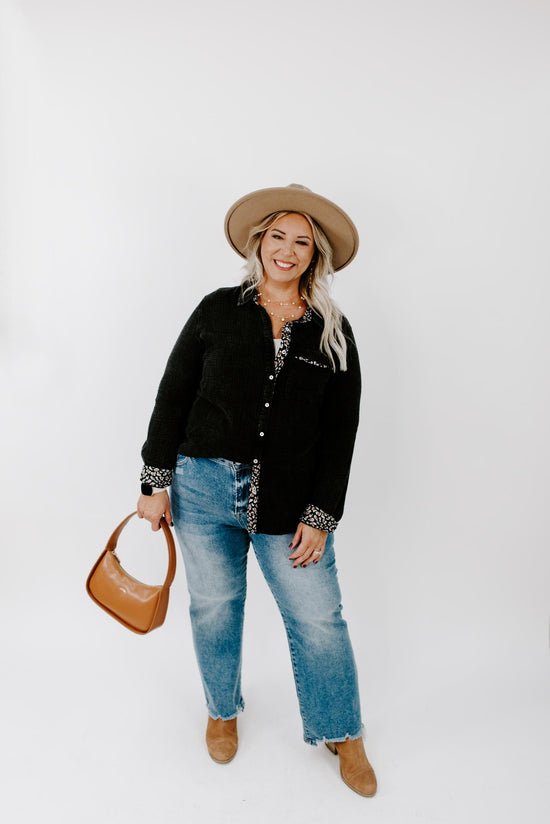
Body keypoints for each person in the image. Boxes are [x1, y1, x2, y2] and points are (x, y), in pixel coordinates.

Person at [136, 183, 377, 797]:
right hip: (202, 490)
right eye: (278, 237)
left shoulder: (332, 330)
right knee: (214, 605)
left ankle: (342, 731)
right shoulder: (217, 310)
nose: (287, 251)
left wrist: (321, 513)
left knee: (318, 615)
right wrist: (155, 481)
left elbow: (341, 432)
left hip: (290, 504)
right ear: (259, 242)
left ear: (316, 255)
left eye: (302, 243)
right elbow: (173, 394)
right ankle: (222, 711)